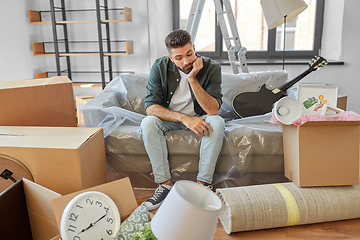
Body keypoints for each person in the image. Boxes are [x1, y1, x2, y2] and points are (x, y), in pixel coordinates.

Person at [141, 29, 225, 211]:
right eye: (178, 58)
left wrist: (192, 79)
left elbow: (213, 110)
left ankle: (202, 186)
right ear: (171, 58)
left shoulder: (212, 67)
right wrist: (184, 118)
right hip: (171, 120)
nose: (186, 62)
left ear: (194, 48)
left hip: (201, 119)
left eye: (189, 54)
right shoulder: (160, 66)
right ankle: (164, 186)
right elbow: (151, 108)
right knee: (148, 123)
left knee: (217, 122)